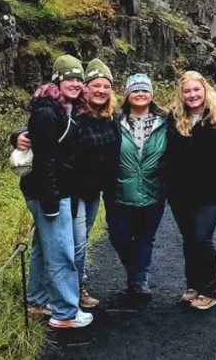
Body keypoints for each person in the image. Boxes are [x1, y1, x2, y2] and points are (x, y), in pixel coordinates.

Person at [20, 55, 93, 329]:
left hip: (52, 190)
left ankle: (37, 301)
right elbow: (45, 161)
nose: (75, 84)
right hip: (51, 192)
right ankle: (64, 313)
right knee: (61, 250)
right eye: (69, 78)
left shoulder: (62, 109)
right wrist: (52, 202)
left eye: (78, 79)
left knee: (43, 245)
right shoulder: (48, 113)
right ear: (57, 80)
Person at [164, 70, 216, 311]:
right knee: (189, 239)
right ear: (181, 94)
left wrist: (213, 153)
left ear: (205, 90)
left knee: (202, 239)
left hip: (211, 189)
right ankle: (193, 284)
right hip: (180, 190)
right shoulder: (174, 117)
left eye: (196, 90)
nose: (192, 95)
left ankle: (210, 290)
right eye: (187, 91)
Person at [107, 72, 168, 301]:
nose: (140, 94)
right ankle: (135, 270)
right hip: (119, 192)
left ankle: (139, 281)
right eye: (135, 90)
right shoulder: (113, 121)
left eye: (144, 90)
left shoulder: (166, 122)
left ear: (151, 94)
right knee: (119, 236)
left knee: (145, 238)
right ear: (127, 95)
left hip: (154, 191)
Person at [70, 58, 121, 309]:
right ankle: (74, 290)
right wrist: (18, 136)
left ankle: (74, 285)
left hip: (93, 192)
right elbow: (37, 127)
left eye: (106, 86)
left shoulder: (111, 117)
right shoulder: (71, 113)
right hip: (73, 191)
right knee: (77, 242)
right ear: (85, 87)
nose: (101, 90)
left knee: (83, 238)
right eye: (95, 85)